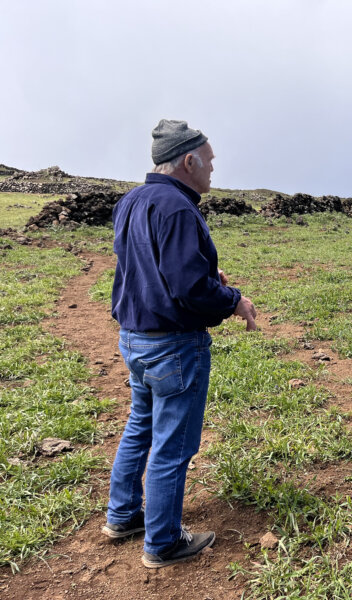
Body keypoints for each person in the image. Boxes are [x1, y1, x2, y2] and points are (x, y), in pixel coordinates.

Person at [102, 119, 257, 568]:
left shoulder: (131, 201)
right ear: (188, 161)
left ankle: (123, 515)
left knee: (140, 427)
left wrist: (206, 279)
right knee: (173, 445)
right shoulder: (179, 209)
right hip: (173, 346)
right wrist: (233, 299)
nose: (213, 169)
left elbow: (145, 268)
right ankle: (163, 542)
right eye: (209, 161)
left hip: (134, 338)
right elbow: (189, 288)